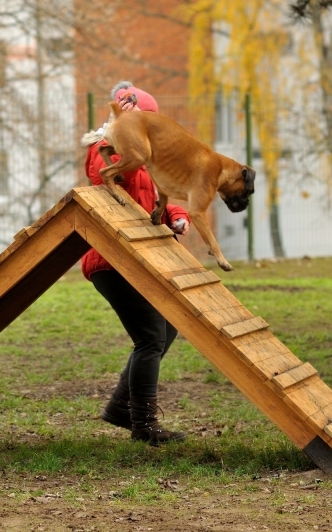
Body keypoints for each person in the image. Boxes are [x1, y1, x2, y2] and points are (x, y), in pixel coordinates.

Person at [80, 81, 190, 445]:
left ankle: (119, 408)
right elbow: (106, 179)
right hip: (112, 260)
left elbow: (155, 195)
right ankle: (143, 424)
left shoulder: (147, 155)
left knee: (167, 329)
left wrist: (175, 213)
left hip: (141, 257)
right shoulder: (104, 147)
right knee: (149, 339)